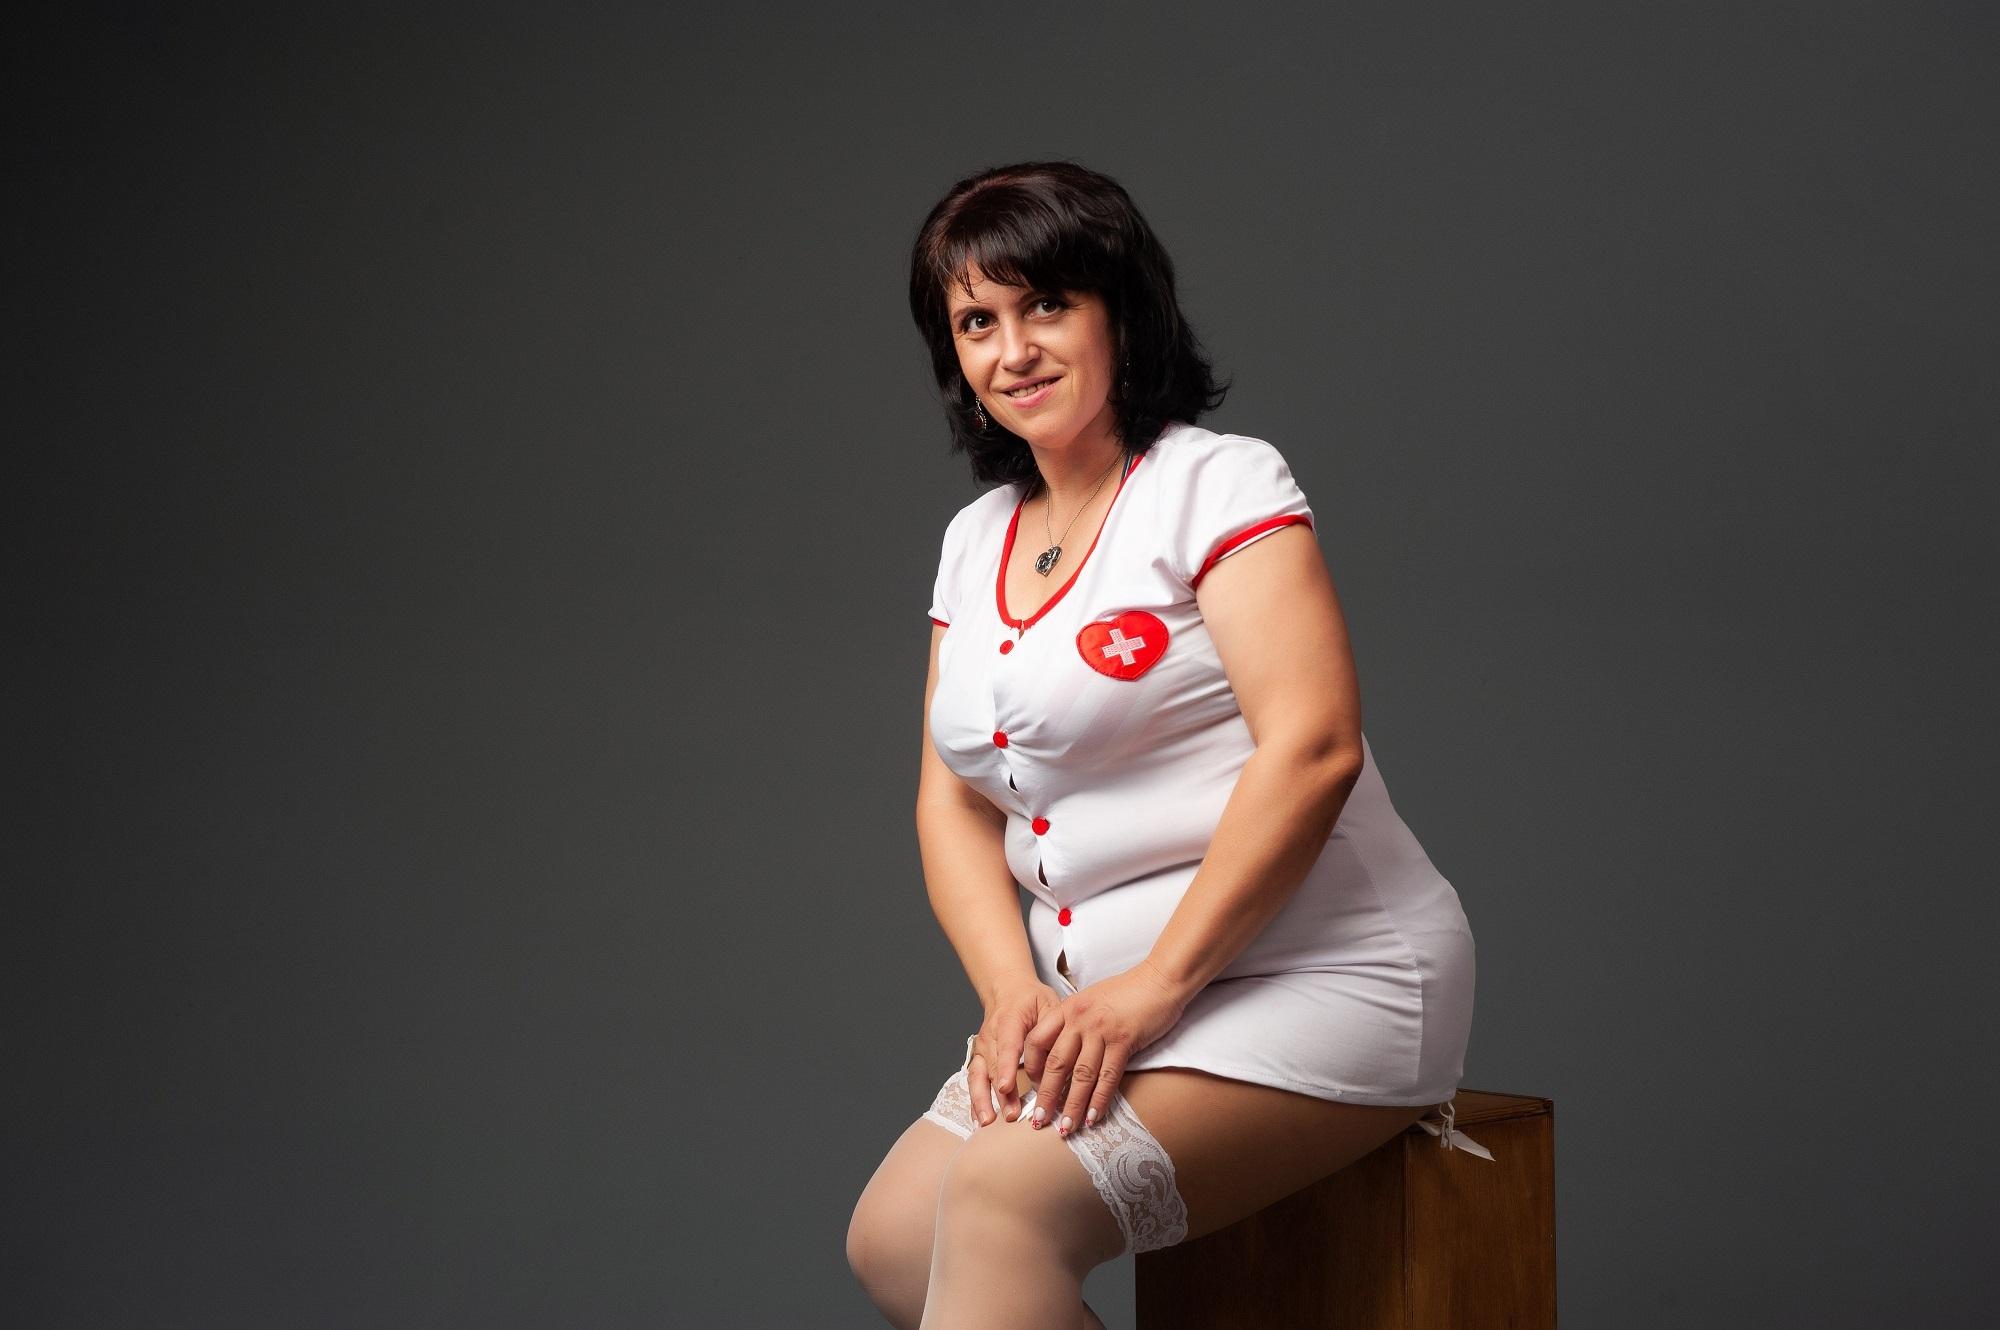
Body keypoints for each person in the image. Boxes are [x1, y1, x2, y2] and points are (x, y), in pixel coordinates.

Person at [846, 161, 1480, 1330]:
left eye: (1047, 305)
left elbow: (1313, 748)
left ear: (1121, 312)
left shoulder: (1216, 483)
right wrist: (1010, 994)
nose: (1012, 351)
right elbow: (952, 803)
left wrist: (1149, 991)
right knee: (890, 1237)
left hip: (1322, 976)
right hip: (1100, 1004)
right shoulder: (972, 538)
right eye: (977, 323)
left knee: (1002, 1196)